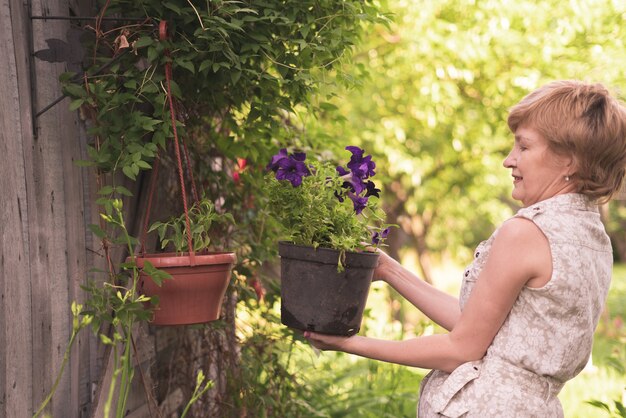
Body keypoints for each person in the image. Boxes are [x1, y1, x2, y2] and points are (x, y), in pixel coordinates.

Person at [304, 80, 626, 417]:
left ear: (568, 160)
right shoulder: (592, 237)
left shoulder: (527, 233)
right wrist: (388, 270)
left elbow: (462, 348)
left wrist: (349, 343)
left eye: (524, 147)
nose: (508, 160)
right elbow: (477, 324)